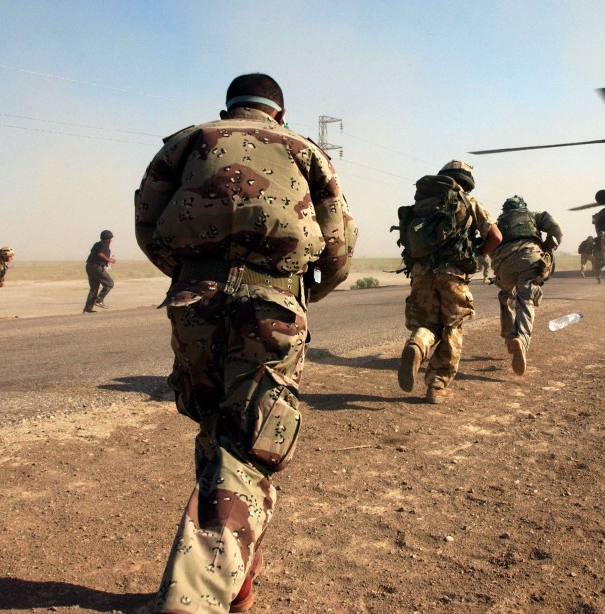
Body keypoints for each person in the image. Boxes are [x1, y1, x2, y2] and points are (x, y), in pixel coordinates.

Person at [134, 73, 357, 613]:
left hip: (195, 304)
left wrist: (193, 277)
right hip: (271, 306)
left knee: (217, 427)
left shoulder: (188, 141)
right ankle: (194, 598)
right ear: (278, 114)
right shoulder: (306, 151)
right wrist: (301, 295)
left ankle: (239, 582)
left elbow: (148, 226)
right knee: (251, 449)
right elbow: (339, 246)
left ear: (229, 108)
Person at [396, 160, 501, 404]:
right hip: (452, 275)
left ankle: (418, 344)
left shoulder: (422, 204)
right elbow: (496, 236)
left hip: (421, 273)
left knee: (428, 324)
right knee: (453, 327)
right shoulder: (469, 203)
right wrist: (478, 254)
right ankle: (436, 386)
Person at [490, 196, 562, 375]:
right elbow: (556, 229)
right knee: (525, 301)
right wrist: (548, 246)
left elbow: (489, 245)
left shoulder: (497, 222)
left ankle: (508, 337)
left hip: (503, 265)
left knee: (505, 296)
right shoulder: (534, 215)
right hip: (529, 259)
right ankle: (520, 339)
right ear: (523, 207)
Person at [84, 230, 117, 313]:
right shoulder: (104, 244)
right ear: (108, 239)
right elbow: (100, 254)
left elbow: (95, 253)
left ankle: (88, 308)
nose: (111, 240)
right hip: (96, 267)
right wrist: (109, 260)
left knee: (94, 288)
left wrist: (104, 264)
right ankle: (99, 300)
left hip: (90, 266)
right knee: (109, 283)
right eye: (110, 238)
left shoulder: (97, 244)